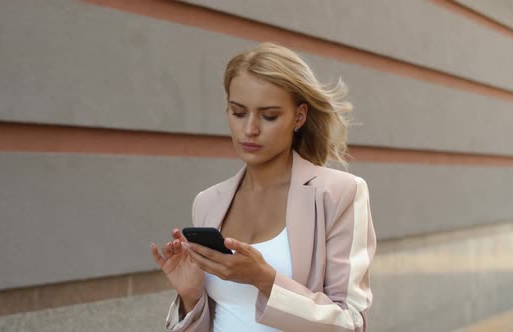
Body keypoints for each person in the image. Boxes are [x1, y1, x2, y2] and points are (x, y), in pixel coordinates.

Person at [151, 42, 376, 332]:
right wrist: (190, 297)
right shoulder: (208, 202)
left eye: (269, 115)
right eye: (238, 112)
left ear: (299, 116)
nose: (250, 129)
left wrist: (264, 279)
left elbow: (351, 323)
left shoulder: (339, 193)